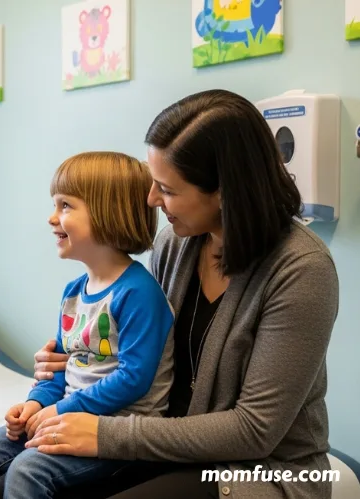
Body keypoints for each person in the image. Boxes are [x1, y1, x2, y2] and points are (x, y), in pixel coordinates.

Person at [20, 89, 339, 499]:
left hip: (261, 471)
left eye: (167, 189)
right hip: (170, 450)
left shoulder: (301, 270)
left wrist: (106, 435)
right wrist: (71, 362)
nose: (152, 200)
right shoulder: (176, 244)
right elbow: (145, 356)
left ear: (224, 191)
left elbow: (254, 430)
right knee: (4, 485)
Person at [0, 152, 176, 499]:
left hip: (119, 432)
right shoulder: (74, 293)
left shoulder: (139, 293)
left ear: (109, 213)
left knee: (29, 470)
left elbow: (134, 378)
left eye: (65, 206)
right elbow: (63, 366)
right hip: (66, 416)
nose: (51, 218)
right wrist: (35, 404)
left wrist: (60, 410)